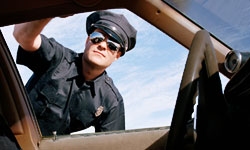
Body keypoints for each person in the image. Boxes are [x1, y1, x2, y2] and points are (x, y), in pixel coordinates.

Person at [13, 10, 137, 136]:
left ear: (117, 55)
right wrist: (53, 9)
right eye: (97, 38)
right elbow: (22, 35)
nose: (103, 46)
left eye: (112, 46)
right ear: (87, 40)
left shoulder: (111, 101)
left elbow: (113, 144)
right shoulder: (58, 58)